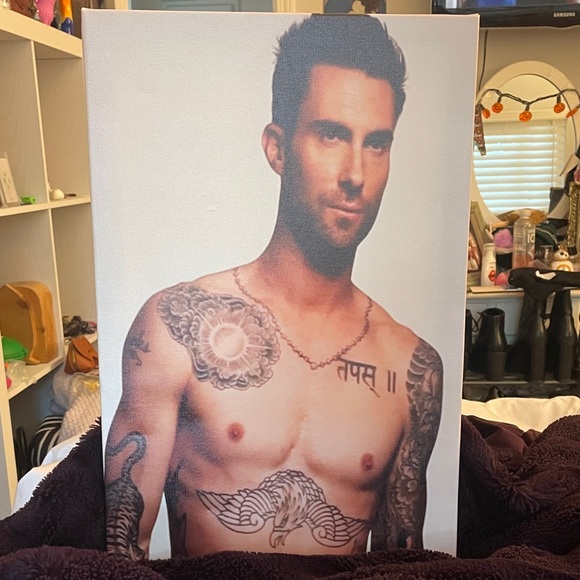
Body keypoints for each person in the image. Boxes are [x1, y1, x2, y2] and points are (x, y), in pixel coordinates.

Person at [104, 14, 443, 560]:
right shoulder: (175, 328)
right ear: (277, 149)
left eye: (377, 143)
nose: (355, 174)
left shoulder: (412, 369)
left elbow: (401, 564)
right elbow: (122, 553)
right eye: (331, 135)